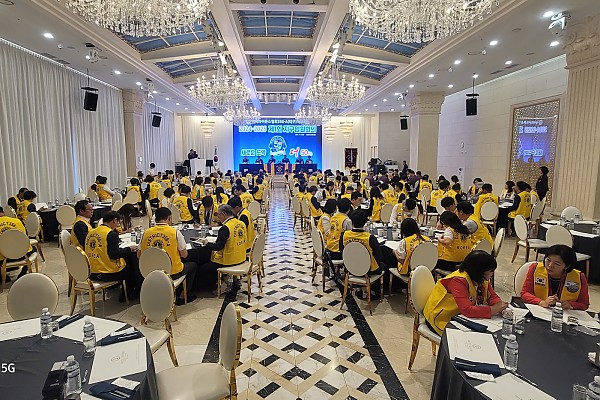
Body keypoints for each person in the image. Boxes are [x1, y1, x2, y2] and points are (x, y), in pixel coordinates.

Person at [424, 251, 508, 335]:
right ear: (481, 271)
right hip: (441, 318)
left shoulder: (480, 278)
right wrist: (494, 309)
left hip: (460, 316)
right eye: (491, 271)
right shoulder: (457, 281)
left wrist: (501, 307)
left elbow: (491, 296)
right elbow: (467, 310)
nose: (492, 273)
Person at [138, 207, 197, 304]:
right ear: (169, 218)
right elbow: (184, 255)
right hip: (171, 273)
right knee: (193, 266)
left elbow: (139, 255)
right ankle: (182, 296)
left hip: (150, 273)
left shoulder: (146, 233)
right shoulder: (175, 232)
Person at [85, 211, 138, 301]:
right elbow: (114, 255)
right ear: (114, 220)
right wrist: (129, 249)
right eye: (118, 222)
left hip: (91, 272)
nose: (118, 225)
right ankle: (128, 295)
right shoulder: (111, 234)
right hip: (106, 273)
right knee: (131, 267)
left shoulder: (91, 232)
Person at [521, 245, 589, 310]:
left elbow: (584, 304)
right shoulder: (535, 268)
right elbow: (525, 293)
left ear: (567, 266)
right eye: (548, 260)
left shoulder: (579, 277)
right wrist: (541, 302)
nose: (550, 265)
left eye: (557, 264)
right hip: (539, 310)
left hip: (564, 314)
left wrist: (571, 305)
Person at [199, 205, 247, 293]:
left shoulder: (225, 228)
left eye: (218, 215)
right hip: (241, 256)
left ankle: (219, 284)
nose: (218, 217)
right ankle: (230, 280)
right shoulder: (241, 223)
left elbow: (218, 247)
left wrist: (206, 243)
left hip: (229, 260)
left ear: (223, 214)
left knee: (204, 268)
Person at [339, 210, 385, 300]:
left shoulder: (344, 235)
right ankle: (372, 291)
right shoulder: (369, 237)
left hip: (350, 268)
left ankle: (359, 289)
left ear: (351, 221)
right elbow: (379, 256)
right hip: (368, 270)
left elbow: (342, 251)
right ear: (365, 222)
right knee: (382, 265)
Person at [0, 206, 32, 280]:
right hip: (22, 255)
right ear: (3, 212)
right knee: (33, 249)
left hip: (3, 258)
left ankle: (3, 278)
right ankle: (23, 273)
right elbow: (25, 237)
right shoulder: (17, 221)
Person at [325, 198, 353, 263]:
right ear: (349, 209)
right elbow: (351, 235)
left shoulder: (333, 217)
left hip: (329, 248)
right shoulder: (347, 220)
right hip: (338, 251)